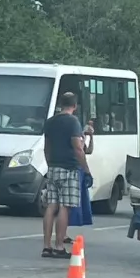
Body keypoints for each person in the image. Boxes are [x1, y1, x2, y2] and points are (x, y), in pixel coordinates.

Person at [41, 92, 92, 258]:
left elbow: (46, 146)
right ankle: (59, 246)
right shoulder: (73, 122)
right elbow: (78, 147)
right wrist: (86, 170)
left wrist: (50, 164)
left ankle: (46, 246)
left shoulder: (50, 122)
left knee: (51, 206)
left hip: (53, 168)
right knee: (65, 207)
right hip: (69, 169)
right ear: (75, 106)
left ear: (60, 104)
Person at [65, 119, 95, 244]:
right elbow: (80, 150)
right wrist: (87, 170)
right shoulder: (73, 137)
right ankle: (62, 234)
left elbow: (88, 150)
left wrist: (91, 137)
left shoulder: (80, 138)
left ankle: (63, 233)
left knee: (73, 203)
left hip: (79, 170)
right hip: (74, 169)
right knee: (68, 204)